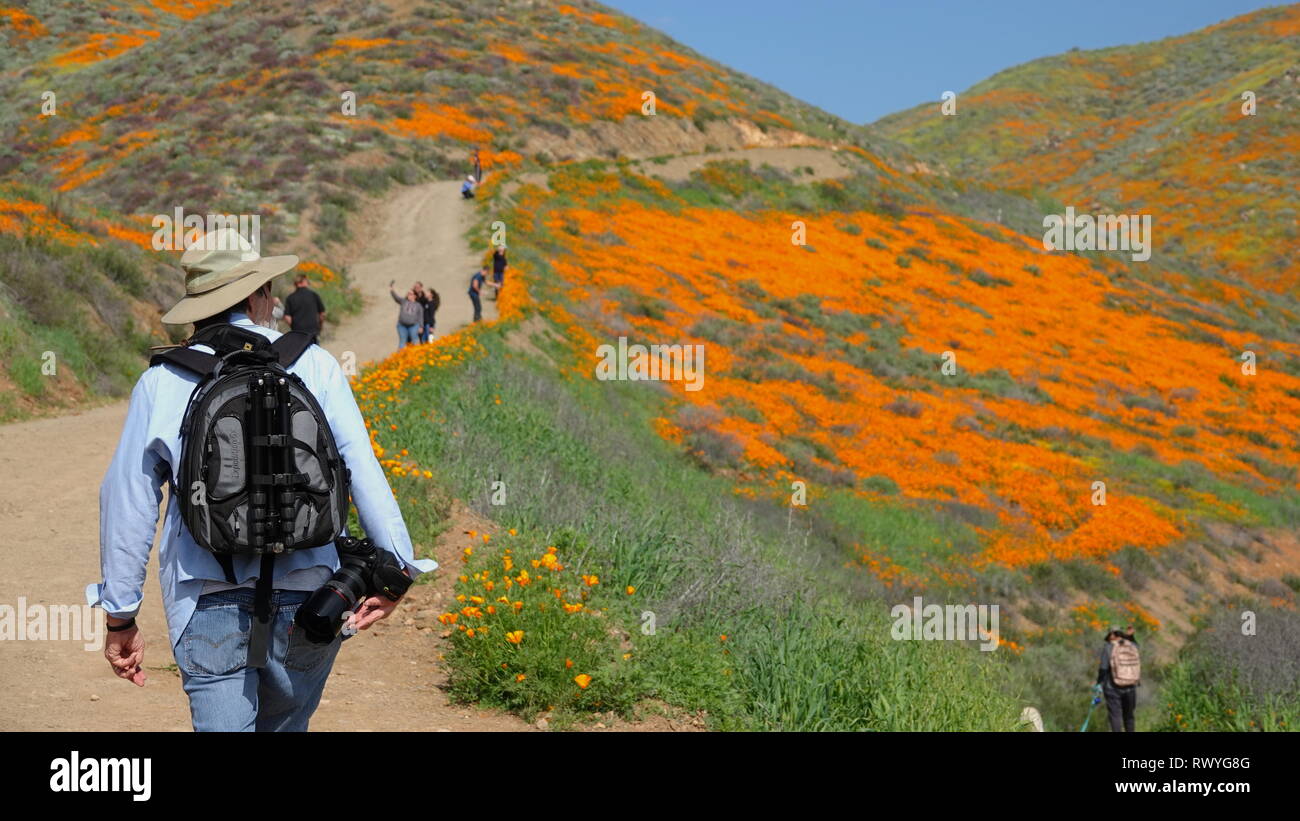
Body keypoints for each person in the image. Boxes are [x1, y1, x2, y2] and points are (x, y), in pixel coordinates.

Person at [91, 228, 435, 731]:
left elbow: (128, 500)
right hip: (312, 594)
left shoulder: (164, 379)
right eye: (266, 288)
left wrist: (120, 614)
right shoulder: (314, 364)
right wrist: (397, 572)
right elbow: (360, 467)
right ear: (256, 297)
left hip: (206, 593)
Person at [1097, 625, 1139, 732]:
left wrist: (1099, 683)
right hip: (1131, 687)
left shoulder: (1108, 647)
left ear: (1112, 635)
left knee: (1115, 716)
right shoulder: (1132, 645)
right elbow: (1136, 647)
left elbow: (1103, 668)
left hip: (1113, 688)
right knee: (1129, 716)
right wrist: (1130, 636)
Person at [282, 273, 325, 340]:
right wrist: (320, 326)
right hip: (313, 332)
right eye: (307, 281)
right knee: (314, 349)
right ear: (303, 282)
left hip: (297, 333)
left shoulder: (290, 298)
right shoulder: (314, 295)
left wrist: (294, 327)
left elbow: (287, 317)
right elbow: (322, 314)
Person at [391, 280, 423, 348]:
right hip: (402, 325)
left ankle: (418, 354)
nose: (408, 295)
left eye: (410, 294)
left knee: (415, 340)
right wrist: (392, 290)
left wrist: (421, 326)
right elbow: (396, 298)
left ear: (415, 296)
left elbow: (420, 316)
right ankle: (399, 357)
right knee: (402, 341)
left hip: (413, 326)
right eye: (408, 293)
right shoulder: (403, 301)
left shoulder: (418, 305)